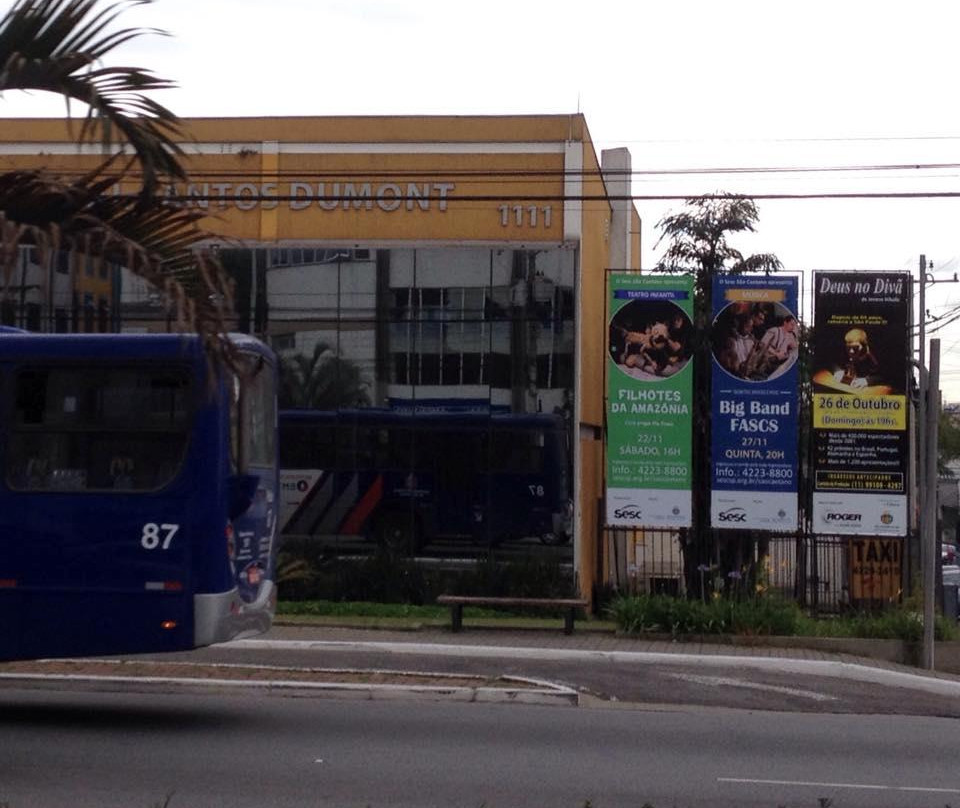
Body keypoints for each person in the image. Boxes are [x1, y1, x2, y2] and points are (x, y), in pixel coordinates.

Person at [745, 314, 799, 380]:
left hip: (779, 363)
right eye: (791, 324)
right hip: (765, 361)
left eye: (794, 326)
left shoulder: (790, 336)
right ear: (785, 323)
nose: (793, 327)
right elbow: (762, 344)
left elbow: (794, 348)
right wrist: (776, 353)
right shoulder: (774, 331)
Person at [718, 312, 755, 378]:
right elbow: (730, 364)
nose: (750, 330)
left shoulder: (751, 341)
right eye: (748, 326)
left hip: (748, 373)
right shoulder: (732, 340)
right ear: (739, 325)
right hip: (736, 374)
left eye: (751, 327)